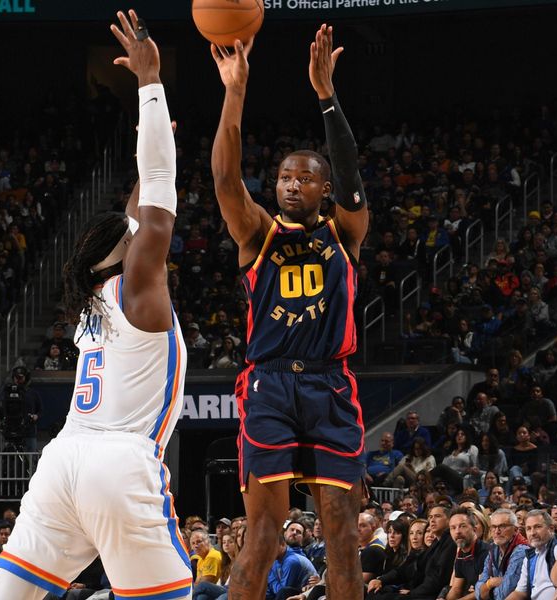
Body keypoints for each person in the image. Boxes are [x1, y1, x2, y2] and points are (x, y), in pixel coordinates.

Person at [0, 11, 191, 600]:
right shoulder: (138, 287)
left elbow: (135, 214)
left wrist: (153, 149)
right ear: (125, 253)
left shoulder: (92, 304)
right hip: (120, 463)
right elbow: (154, 206)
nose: (135, 235)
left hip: (62, 460)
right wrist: (150, 87)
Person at [210, 23, 368, 600]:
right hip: (271, 386)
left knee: (343, 538)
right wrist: (235, 90)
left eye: (305, 177)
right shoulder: (258, 234)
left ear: (325, 191)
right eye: (283, 176)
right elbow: (226, 178)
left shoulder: (345, 231)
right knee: (262, 534)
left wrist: (326, 95)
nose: (291, 184)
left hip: (331, 386)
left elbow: (350, 169)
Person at [505, 510, 557, 600]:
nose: (532, 533)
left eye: (537, 527)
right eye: (528, 528)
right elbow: (520, 592)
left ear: (551, 528)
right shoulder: (529, 557)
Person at [474, 509, 529, 600]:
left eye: (502, 526)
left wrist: (487, 591)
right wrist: (490, 583)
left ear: (515, 530)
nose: (497, 531)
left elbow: (505, 594)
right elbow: (478, 593)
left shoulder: (522, 551)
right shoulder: (493, 549)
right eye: (494, 527)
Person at [447, 509, 490, 600]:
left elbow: (483, 591)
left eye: (462, 526)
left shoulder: (486, 552)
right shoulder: (461, 555)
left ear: (474, 529)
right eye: (453, 528)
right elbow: (456, 589)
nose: (457, 531)